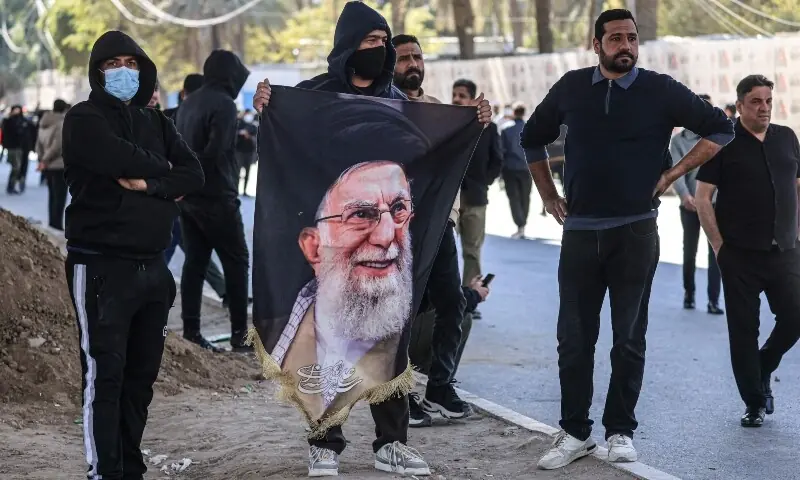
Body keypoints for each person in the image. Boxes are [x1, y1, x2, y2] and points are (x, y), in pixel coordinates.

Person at [252, 2, 492, 476]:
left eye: (384, 43)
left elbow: (433, 154)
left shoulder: (400, 103)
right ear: (347, 46)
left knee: (393, 336)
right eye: (370, 42)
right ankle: (325, 442)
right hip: (337, 241)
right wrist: (268, 105)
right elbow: (284, 149)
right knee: (328, 341)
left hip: (392, 245)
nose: (379, 51)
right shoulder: (313, 97)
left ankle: (391, 444)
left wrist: (475, 122)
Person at [521, 9, 734, 469]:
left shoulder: (660, 89)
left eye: (632, 38)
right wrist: (548, 194)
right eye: (615, 38)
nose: (626, 46)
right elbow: (530, 138)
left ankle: (620, 430)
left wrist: (673, 174)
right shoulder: (571, 88)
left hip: (636, 230)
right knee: (574, 340)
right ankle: (575, 432)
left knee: (628, 338)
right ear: (596, 43)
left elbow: (721, 128)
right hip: (579, 233)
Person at [61, 30, 204, 480]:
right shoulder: (84, 119)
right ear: (97, 71)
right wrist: (165, 172)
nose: (123, 71)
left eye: (131, 62)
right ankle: (104, 471)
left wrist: (151, 183)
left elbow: (194, 174)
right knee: (105, 379)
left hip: (153, 271)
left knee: (140, 383)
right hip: (101, 268)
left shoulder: (158, 122)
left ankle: (130, 468)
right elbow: (113, 155)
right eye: (112, 63)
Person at [695, 75, 800, 428]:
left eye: (769, 100)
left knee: (795, 315)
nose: (764, 107)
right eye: (756, 101)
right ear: (740, 105)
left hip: (784, 249)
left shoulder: (787, 138)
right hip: (738, 254)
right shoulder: (723, 142)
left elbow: (797, 189)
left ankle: (764, 364)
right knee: (743, 330)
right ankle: (754, 401)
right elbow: (703, 196)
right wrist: (718, 246)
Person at [391, 33, 472, 427]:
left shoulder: (440, 110)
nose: (412, 64)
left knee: (453, 303)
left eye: (416, 57)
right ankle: (402, 395)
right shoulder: (382, 108)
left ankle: (440, 385)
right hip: (398, 232)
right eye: (404, 58)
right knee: (401, 313)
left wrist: (476, 121)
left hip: (441, 225)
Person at [176, 49, 253, 353]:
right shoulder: (223, 104)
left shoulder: (189, 102)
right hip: (217, 195)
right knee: (236, 261)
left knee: (195, 263)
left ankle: (191, 330)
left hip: (190, 198)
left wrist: (184, 181)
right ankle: (239, 335)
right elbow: (218, 150)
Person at [670, 94, 723, 314]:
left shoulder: (720, 139)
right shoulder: (679, 141)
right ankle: (689, 294)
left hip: (716, 205)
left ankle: (713, 300)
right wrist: (684, 196)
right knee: (690, 250)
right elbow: (676, 171)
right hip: (690, 205)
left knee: (717, 250)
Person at [452, 79, 502, 296]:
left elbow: (497, 161)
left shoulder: (488, 128)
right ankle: (445, 299)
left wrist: (483, 183)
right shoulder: (446, 124)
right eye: (454, 94)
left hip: (475, 198)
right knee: (442, 249)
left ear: (473, 99)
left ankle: (470, 295)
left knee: (471, 251)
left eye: (461, 95)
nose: (456, 99)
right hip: (448, 199)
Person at [36, 99, 69, 231]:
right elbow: (58, 146)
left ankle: (52, 222)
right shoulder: (60, 123)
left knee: (52, 195)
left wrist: (42, 160)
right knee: (60, 196)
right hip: (58, 164)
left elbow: (38, 143)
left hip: (48, 166)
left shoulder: (43, 122)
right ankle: (56, 225)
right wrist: (46, 159)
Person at [500, 103, 533, 239]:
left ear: (514, 113)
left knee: (514, 197)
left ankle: (519, 225)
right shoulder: (531, 129)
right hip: (527, 168)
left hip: (510, 168)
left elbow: (502, 151)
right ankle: (522, 225)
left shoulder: (506, 131)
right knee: (525, 197)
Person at [1, 105, 29, 194]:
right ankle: (11, 186)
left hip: (20, 147)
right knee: (16, 167)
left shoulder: (23, 121)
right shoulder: (8, 121)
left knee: (19, 167)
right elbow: (7, 133)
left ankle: (13, 185)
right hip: (12, 147)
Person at [235, 109, 257, 196]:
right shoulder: (239, 124)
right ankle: (236, 190)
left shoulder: (253, 125)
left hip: (249, 152)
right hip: (239, 151)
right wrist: (241, 133)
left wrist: (249, 135)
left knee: (247, 173)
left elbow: (256, 135)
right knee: (237, 172)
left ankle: (244, 191)